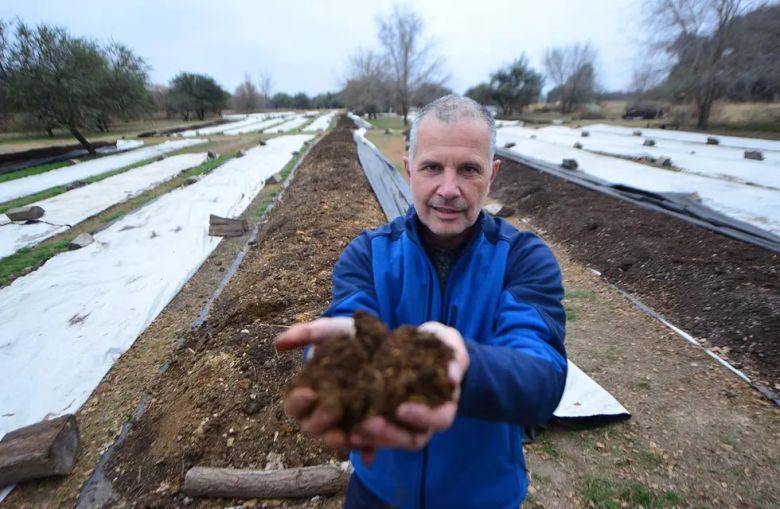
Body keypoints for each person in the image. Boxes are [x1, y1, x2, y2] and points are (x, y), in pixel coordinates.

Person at [275, 95, 567, 509]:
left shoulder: (523, 259)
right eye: (432, 167)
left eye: (468, 169)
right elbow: (346, 321)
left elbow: (542, 374)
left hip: (484, 498)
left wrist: (465, 366)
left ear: (492, 174)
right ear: (409, 169)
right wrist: (332, 359)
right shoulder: (368, 253)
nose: (448, 189)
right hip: (378, 493)